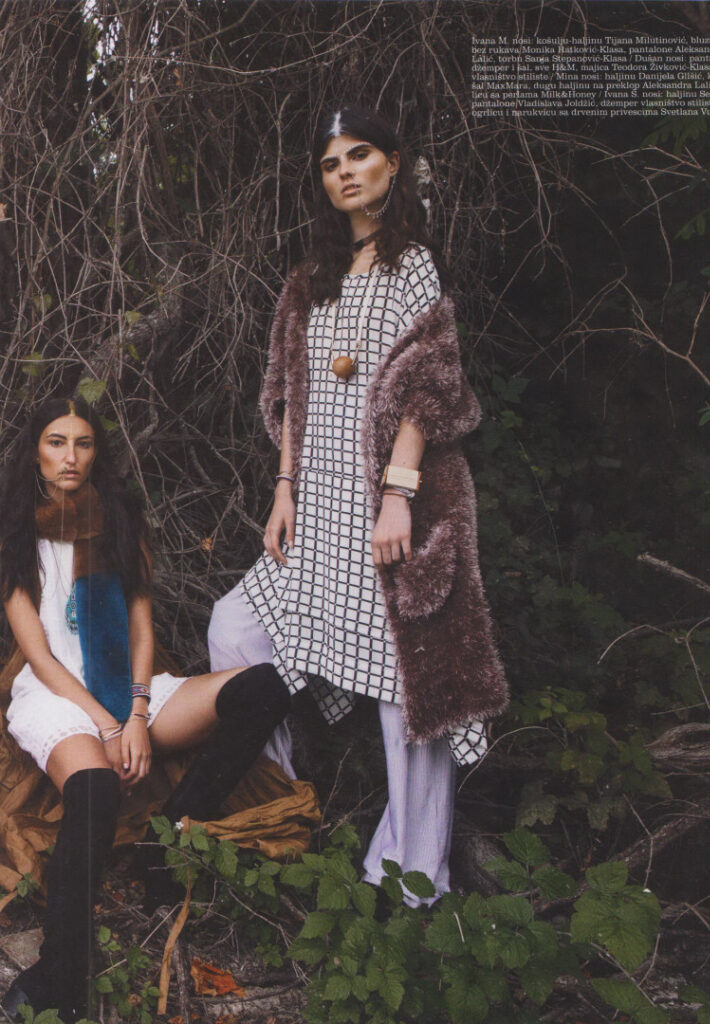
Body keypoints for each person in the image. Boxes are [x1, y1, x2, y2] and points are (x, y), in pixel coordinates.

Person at [209, 104, 507, 907]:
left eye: (360, 155)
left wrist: (399, 495)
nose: (344, 172)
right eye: (330, 162)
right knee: (236, 628)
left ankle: (409, 882)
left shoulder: (413, 266)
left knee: (407, 687)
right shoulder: (310, 276)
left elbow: (427, 384)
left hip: (389, 499)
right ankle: (276, 813)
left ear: (392, 163)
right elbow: (290, 393)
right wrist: (283, 489)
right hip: (316, 504)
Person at [0, 397, 290, 1023]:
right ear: (35, 452)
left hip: (129, 687)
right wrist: (106, 726)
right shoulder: (16, 530)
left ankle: (169, 839)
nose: (70, 457)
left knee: (264, 687)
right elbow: (40, 655)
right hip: (55, 692)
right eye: (56, 442)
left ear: (96, 452)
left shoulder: (121, 519)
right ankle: (60, 971)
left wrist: (134, 713)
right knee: (96, 789)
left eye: (82, 443)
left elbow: (139, 625)